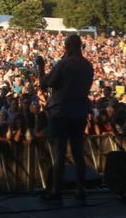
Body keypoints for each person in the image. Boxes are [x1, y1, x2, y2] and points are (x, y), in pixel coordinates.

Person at [35, 34, 93, 205]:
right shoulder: (88, 66)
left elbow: (45, 84)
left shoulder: (64, 64)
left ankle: (56, 191)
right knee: (78, 153)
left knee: (59, 153)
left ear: (67, 46)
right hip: (80, 112)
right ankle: (80, 191)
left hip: (61, 112)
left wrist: (41, 66)